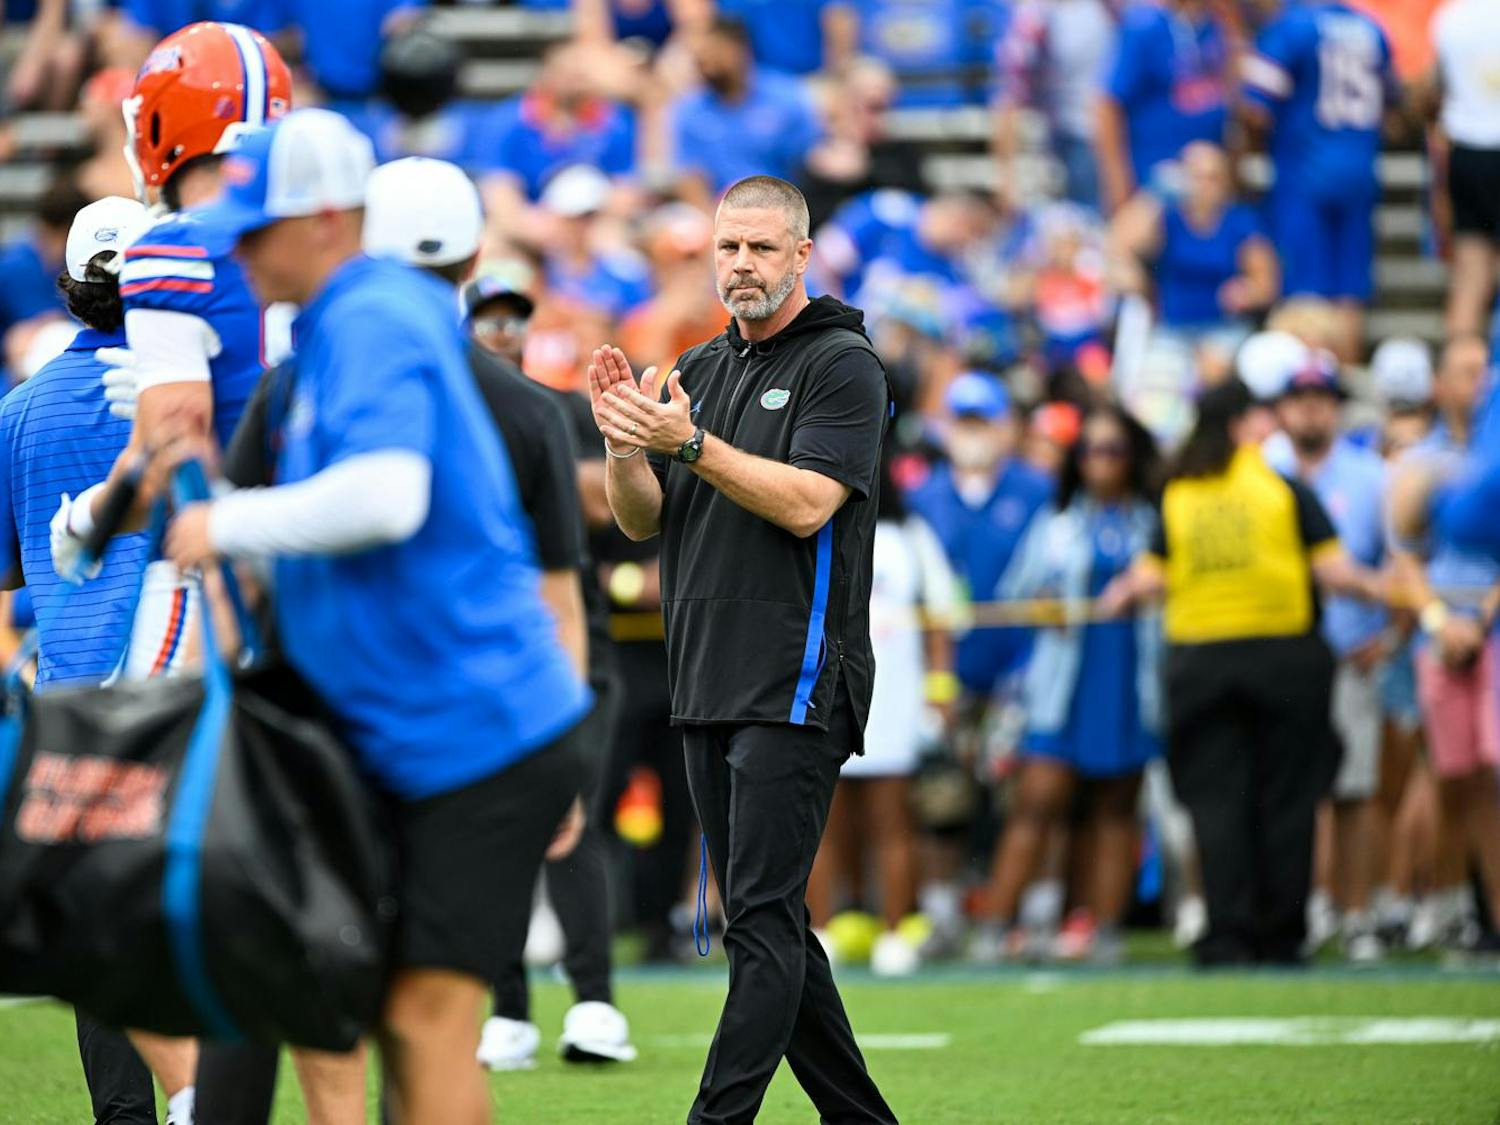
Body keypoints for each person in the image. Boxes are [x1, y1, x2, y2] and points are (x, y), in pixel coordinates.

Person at [155, 107, 590, 1122]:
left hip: (478, 733)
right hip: (422, 733)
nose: (241, 253)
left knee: (421, 1012)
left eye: (256, 229)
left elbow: (387, 496)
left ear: (326, 220)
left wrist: (229, 523)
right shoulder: (343, 324)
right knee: (394, 1009)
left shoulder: (373, 316)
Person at [588, 174, 897, 1124]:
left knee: (757, 922)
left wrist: (686, 445)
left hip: (798, 680)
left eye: (762, 248)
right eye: (728, 247)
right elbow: (641, 523)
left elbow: (808, 504)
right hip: (707, 677)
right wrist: (627, 449)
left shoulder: (843, 363)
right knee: (774, 930)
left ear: (802, 255)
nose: (742, 265)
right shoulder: (699, 366)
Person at [364, 155, 637, 1069]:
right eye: (493, 313)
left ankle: (591, 999)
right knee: (493, 834)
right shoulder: (487, 399)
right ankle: (511, 1004)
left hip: (540, 641)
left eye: (516, 314)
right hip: (472, 641)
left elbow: (584, 537)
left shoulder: (539, 407)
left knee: (565, 819)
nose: (504, 327)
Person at [1102, 378, 1384, 965]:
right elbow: (1333, 573)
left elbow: (1150, 577)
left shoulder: (1180, 494)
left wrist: (1116, 594)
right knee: (1287, 798)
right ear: (1239, 425)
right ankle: (1282, 934)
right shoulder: (1282, 489)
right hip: (1285, 658)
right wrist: (1393, 590)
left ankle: (1226, 932)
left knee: (1214, 802)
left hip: (1201, 661)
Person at [0, 196, 173, 1125]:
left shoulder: (16, 411)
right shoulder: (193, 394)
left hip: (72, 699)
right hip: (185, 680)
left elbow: (8, 580)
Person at [975, 404, 1163, 966]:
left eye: (1112, 450)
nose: (1098, 462)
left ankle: (1105, 927)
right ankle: (994, 927)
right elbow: (1013, 594)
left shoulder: (1153, 524)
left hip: (1130, 679)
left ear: (1133, 459)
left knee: (1116, 809)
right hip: (1062, 684)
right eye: (1088, 451)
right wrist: (1042, 605)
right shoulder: (1056, 523)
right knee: (1036, 803)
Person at [806, 455, 958, 978]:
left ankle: (896, 930)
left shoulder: (911, 537)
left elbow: (940, 618)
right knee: (821, 822)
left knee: (893, 822)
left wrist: (940, 694)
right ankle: (820, 929)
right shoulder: (813, 517)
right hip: (823, 692)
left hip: (894, 699)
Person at [1266, 345, 1393, 960]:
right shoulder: (1260, 472)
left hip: (1346, 651)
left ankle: (1359, 910)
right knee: (1293, 792)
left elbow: (1399, 564)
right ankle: (1304, 904)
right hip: (1280, 655)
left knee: (1354, 790)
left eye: (1321, 400)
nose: (1310, 412)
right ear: (1283, 408)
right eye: (1300, 400)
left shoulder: (1371, 478)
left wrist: (1391, 636)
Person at [1386, 335, 1500, 955]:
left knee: (1495, 771)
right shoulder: (1421, 463)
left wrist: (1482, 619)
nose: (1480, 380)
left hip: (1492, 630)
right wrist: (1436, 618)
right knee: (1453, 778)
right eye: (1466, 371)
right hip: (1441, 636)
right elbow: (1405, 553)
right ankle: (1457, 910)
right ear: (1441, 385)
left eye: (1487, 369)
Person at [1242, 0, 1399, 362]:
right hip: (1359, 168)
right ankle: (1341, 383)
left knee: (1305, 289)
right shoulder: (1371, 28)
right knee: (1349, 293)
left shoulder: (1293, 25)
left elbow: (1256, 108)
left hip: (1305, 170)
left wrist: (1248, 151)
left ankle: (1312, 383)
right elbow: (1393, 103)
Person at [1109, 141, 1280, 382]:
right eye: (1196, 177)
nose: (1204, 186)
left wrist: (1246, 292)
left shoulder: (1241, 222)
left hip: (1222, 329)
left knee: (1212, 369)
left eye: (1212, 178)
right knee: (1157, 382)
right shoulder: (1167, 219)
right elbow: (1118, 243)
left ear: (1225, 183)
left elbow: (1266, 286)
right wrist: (1154, 194)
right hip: (1171, 330)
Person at [1095, 0, 1231, 214]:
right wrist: (1117, 183)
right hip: (1153, 184)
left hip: (1204, 186)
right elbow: (1107, 105)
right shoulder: (1145, 25)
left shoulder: (1216, 27)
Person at [669, 17, 823, 194]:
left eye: (714, 53)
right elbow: (690, 177)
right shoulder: (689, 110)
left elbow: (807, 164)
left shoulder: (786, 98)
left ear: (740, 50)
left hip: (781, 202)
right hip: (716, 210)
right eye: (700, 57)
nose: (705, 62)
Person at [994, 0, 1118, 210]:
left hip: (1124, 135)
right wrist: (1006, 178)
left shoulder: (1111, 8)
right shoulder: (1034, 19)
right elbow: (1009, 99)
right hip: (1076, 139)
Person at [1426, 0, 1500, 338]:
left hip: (1467, 150)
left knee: (1470, 275)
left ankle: (1460, 370)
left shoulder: (1451, 17)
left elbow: (1436, 89)